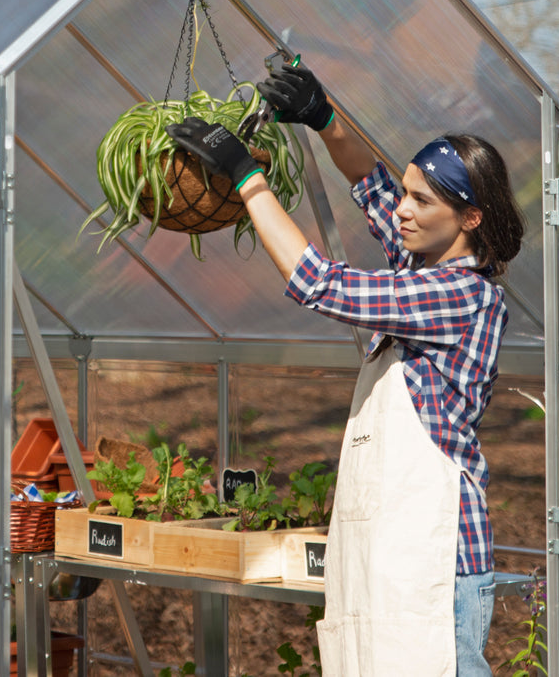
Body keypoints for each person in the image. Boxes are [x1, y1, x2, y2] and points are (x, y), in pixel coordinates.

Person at [167, 63, 524, 677]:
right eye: (409, 195)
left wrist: (248, 179)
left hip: (436, 562)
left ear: (470, 219)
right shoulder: (421, 265)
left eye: (423, 200)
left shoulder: (458, 296)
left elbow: (318, 282)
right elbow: (369, 181)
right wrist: (323, 115)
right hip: (390, 552)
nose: (404, 210)